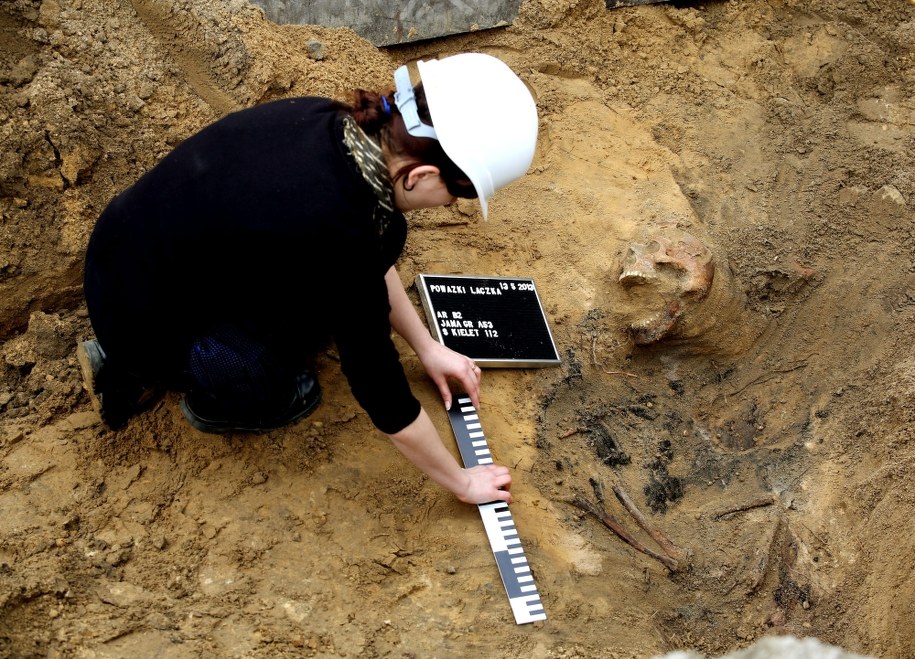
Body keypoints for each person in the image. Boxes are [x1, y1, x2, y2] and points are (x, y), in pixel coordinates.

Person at [77, 53, 539, 505]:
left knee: (316, 284)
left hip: (119, 263)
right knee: (296, 359)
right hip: (146, 324)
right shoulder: (337, 229)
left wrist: (427, 345)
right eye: (456, 195)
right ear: (420, 175)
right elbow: (381, 388)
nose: (448, 206)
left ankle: (132, 353)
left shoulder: (326, 120)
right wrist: (462, 482)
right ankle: (208, 396)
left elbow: (369, 253)